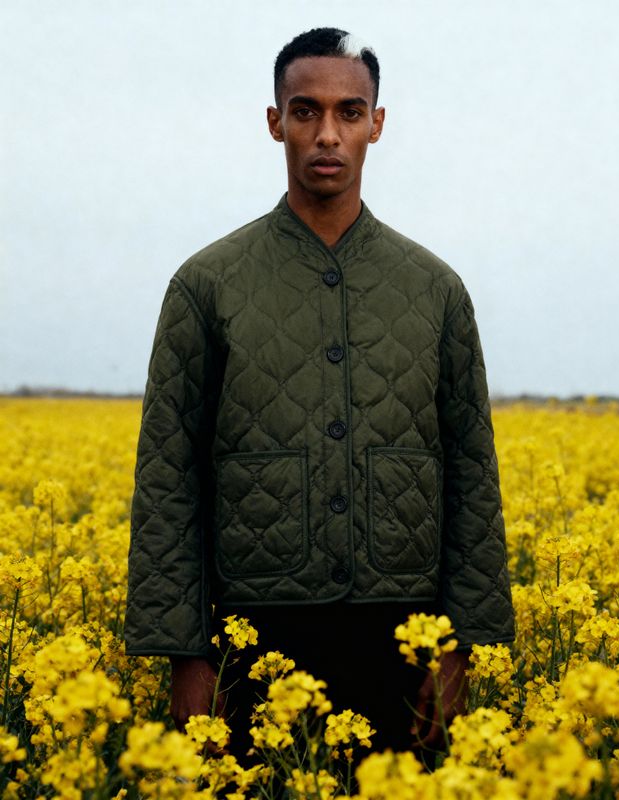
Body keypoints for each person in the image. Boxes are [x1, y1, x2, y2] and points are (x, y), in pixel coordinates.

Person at [124, 27, 515, 756]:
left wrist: (464, 645)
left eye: (349, 112)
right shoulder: (206, 285)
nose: (327, 134)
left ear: (377, 123)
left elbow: (472, 471)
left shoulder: (435, 290)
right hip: (252, 631)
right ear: (274, 122)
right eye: (304, 112)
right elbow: (167, 479)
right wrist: (185, 654)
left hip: (405, 639)